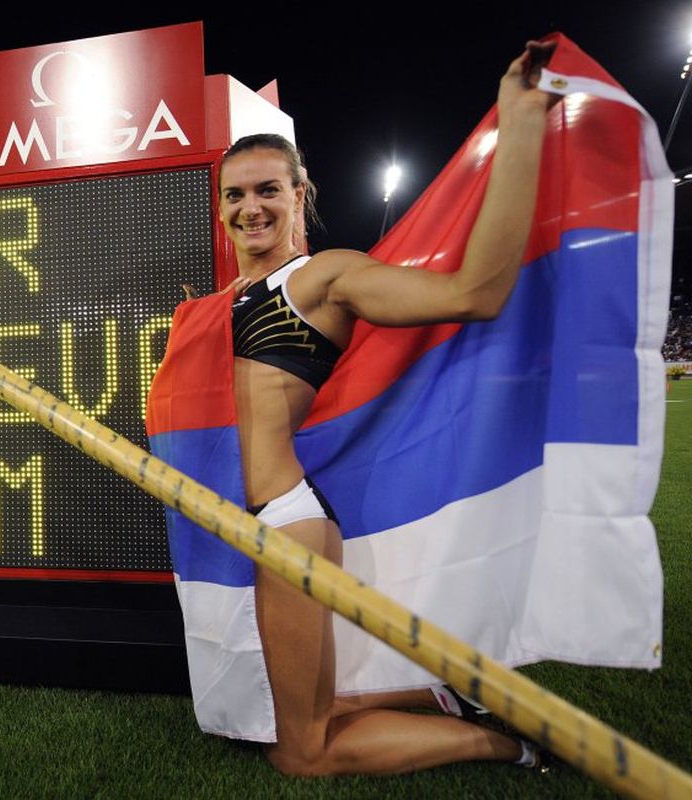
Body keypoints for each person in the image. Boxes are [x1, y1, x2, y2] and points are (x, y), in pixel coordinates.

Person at [160, 42, 557, 776]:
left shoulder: (321, 278)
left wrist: (520, 121)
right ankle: (446, 700)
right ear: (218, 208)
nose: (251, 207)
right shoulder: (213, 308)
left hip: (286, 526)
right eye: (235, 194)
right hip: (244, 530)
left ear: (300, 191)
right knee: (297, 711)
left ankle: (505, 744)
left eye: (268, 190)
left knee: (300, 755)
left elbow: (475, 293)